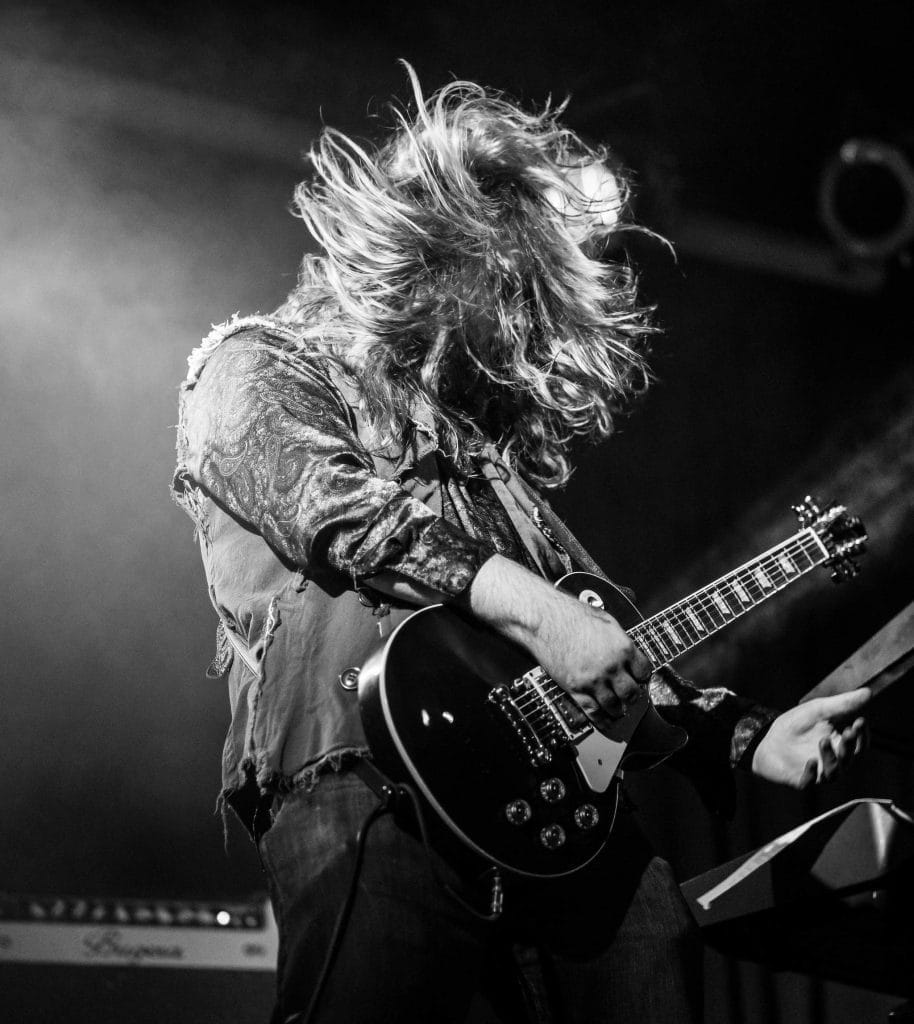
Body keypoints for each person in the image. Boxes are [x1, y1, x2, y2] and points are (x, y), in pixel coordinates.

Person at [173, 68, 869, 1024]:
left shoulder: (484, 460)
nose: (509, 320)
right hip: (370, 785)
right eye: (502, 280)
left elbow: (594, 647)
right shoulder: (252, 366)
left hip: (556, 829)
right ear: (438, 251)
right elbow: (337, 510)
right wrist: (540, 612)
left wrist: (747, 740)